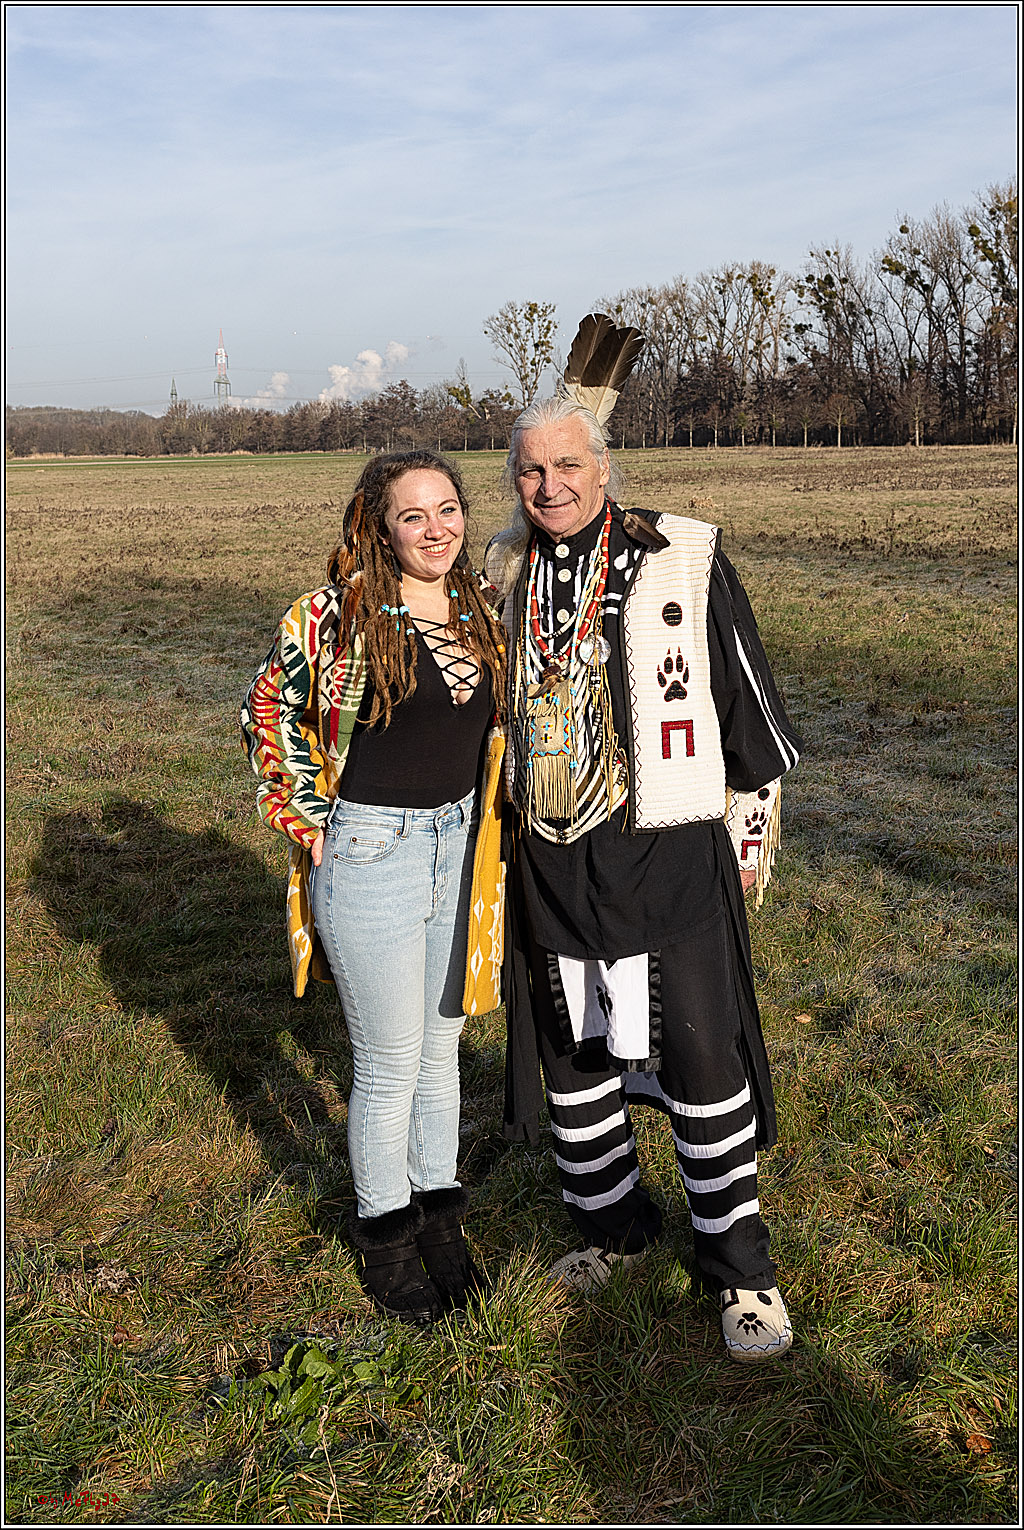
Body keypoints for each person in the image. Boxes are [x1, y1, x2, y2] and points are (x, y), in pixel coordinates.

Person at [487, 328, 803, 1362]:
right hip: (549, 854)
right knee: (576, 1059)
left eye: (567, 465)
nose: (549, 484)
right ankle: (612, 1228)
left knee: (700, 1059)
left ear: (603, 467)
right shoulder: (499, 570)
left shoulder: (684, 554)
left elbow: (746, 706)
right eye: (530, 470)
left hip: (666, 851)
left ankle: (739, 1274)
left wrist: (747, 830)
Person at [240, 450, 506, 1325]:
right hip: (371, 852)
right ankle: (385, 1240)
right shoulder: (339, 616)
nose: (436, 530)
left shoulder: (481, 609)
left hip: (462, 847)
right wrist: (304, 812)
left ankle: (441, 1222)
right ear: (377, 526)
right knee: (390, 1065)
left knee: (441, 1057)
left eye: (448, 510)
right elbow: (268, 706)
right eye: (412, 516)